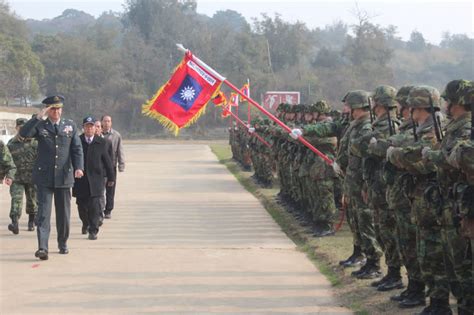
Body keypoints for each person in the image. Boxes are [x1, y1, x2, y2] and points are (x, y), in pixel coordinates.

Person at [20, 95, 84, 261]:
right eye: (53, 109)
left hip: (64, 176)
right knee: (43, 215)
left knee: (63, 215)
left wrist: (79, 167)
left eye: (59, 108)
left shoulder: (69, 125)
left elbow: (77, 149)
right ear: (48, 110)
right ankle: (42, 247)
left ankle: (63, 243)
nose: (57, 111)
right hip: (44, 177)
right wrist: (38, 116)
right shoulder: (40, 125)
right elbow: (24, 134)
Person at [73, 116, 115, 240]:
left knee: (95, 207)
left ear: (95, 128)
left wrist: (111, 178)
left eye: (92, 126)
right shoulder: (77, 141)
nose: (89, 128)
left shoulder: (101, 142)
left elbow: (108, 161)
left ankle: (93, 230)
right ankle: (85, 223)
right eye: (87, 126)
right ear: (83, 128)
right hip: (80, 180)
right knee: (82, 206)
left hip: (96, 180)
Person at [7, 118, 38, 234]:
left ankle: (31, 221)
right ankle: (14, 223)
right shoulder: (11, 144)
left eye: (24, 128)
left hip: (32, 177)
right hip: (17, 178)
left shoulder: (35, 143)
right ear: (16, 128)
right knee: (16, 200)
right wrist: (6, 175)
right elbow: (6, 161)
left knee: (32, 200)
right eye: (20, 128)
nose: (22, 130)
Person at [101, 115, 125, 219]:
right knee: (99, 190)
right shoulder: (97, 133)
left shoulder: (116, 135)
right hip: (99, 167)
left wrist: (121, 165)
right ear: (101, 122)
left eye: (109, 121)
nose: (107, 123)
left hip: (111, 167)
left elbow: (120, 151)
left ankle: (108, 210)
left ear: (111, 123)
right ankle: (99, 209)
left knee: (110, 190)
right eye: (105, 121)